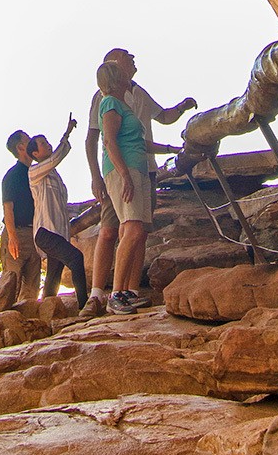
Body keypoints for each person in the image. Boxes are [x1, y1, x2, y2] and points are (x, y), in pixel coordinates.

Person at [82, 47, 197, 315]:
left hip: (144, 169)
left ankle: (128, 292)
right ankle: (104, 294)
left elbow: (160, 120)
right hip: (123, 169)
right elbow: (100, 139)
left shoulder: (136, 94)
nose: (133, 59)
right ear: (114, 67)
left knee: (139, 229)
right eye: (127, 57)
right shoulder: (105, 99)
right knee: (116, 229)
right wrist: (98, 176)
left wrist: (180, 112)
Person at [27, 115, 89, 309]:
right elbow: (55, 159)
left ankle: (46, 313)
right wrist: (67, 133)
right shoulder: (35, 172)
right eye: (43, 144)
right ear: (35, 153)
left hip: (59, 233)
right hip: (46, 232)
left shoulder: (55, 177)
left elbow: (64, 206)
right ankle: (84, 306)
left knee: (53, 279)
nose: (48, 145)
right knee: (76, 258)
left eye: (47, 142)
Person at [0, 129, 41, 299]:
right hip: (17, 233)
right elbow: (8, 207)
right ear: (21, 147)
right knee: (11, 285)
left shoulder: (35, 173)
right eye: (28, 139)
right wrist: (12, 237)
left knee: (32, 288)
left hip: (34, 234)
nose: (32, 141)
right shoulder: (13, 176)